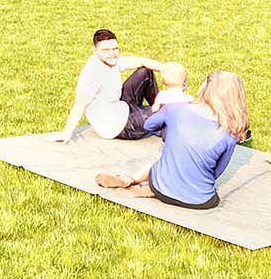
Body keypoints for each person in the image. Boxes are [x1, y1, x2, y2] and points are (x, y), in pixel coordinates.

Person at [96, 72, 250, 210]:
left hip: (162, 187)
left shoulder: (176, 109)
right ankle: (153, 187)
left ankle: (134, 181)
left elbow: (149, 125)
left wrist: (170, 135)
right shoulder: (232, 133)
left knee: (163, 161)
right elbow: (217, 171)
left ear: (205, 90)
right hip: (201, 201)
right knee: (183, 166)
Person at [50, 28, 164, 143]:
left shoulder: (111, 60)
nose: (112, 53)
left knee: (145, 72)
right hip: (120, 126)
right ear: (95, 50)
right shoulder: (92, 73)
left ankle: (158, 111)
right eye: (106, 50)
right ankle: (163, 122)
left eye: (115, 49)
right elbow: (79, 104)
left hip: (120, 107)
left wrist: (167, 68)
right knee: (168, 111)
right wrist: (66, 132)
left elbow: (141, 61)